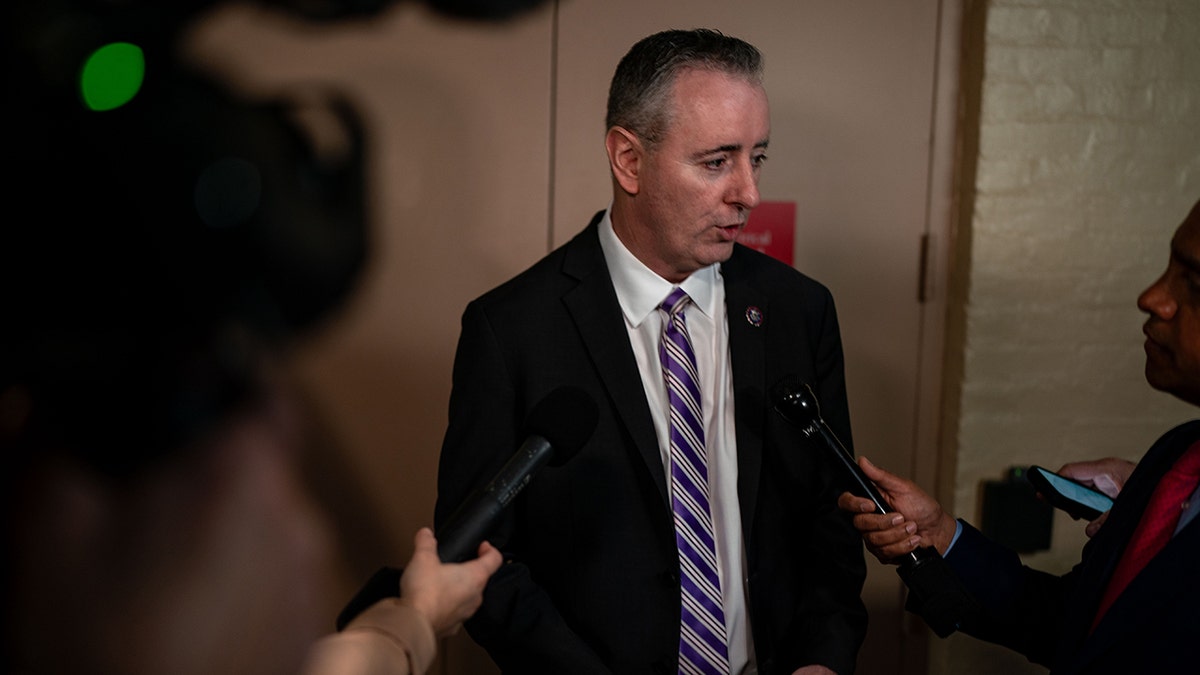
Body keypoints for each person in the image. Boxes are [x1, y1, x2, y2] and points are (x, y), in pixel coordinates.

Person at [435, 28, 867, 675]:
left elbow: (833, 516)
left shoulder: (797, 311)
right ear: (629, 160)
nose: (748, 192)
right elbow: (480, 556)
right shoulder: (512, 329)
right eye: (717, 161)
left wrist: (820, 660)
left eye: (759, 158)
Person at [838, 198, 1200, 674]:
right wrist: (940, 535)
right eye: (1168, 266)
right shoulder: (1177, 459)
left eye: (1192, 284)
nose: (1153, 297)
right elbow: (1071, 627)